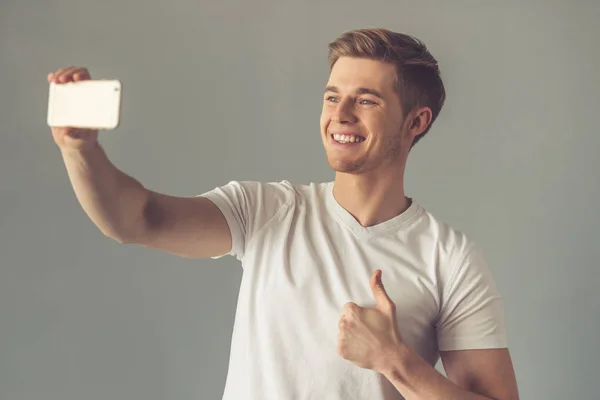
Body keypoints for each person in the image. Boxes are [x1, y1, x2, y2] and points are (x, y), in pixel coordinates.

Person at [48, 28, 519, 400]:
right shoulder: (268, 211)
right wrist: (80, 151)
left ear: (416, 122)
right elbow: (137, 220)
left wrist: (395, 361)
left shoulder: (450, 258)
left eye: (367, 100)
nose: (341, 114)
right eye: (333, 96)